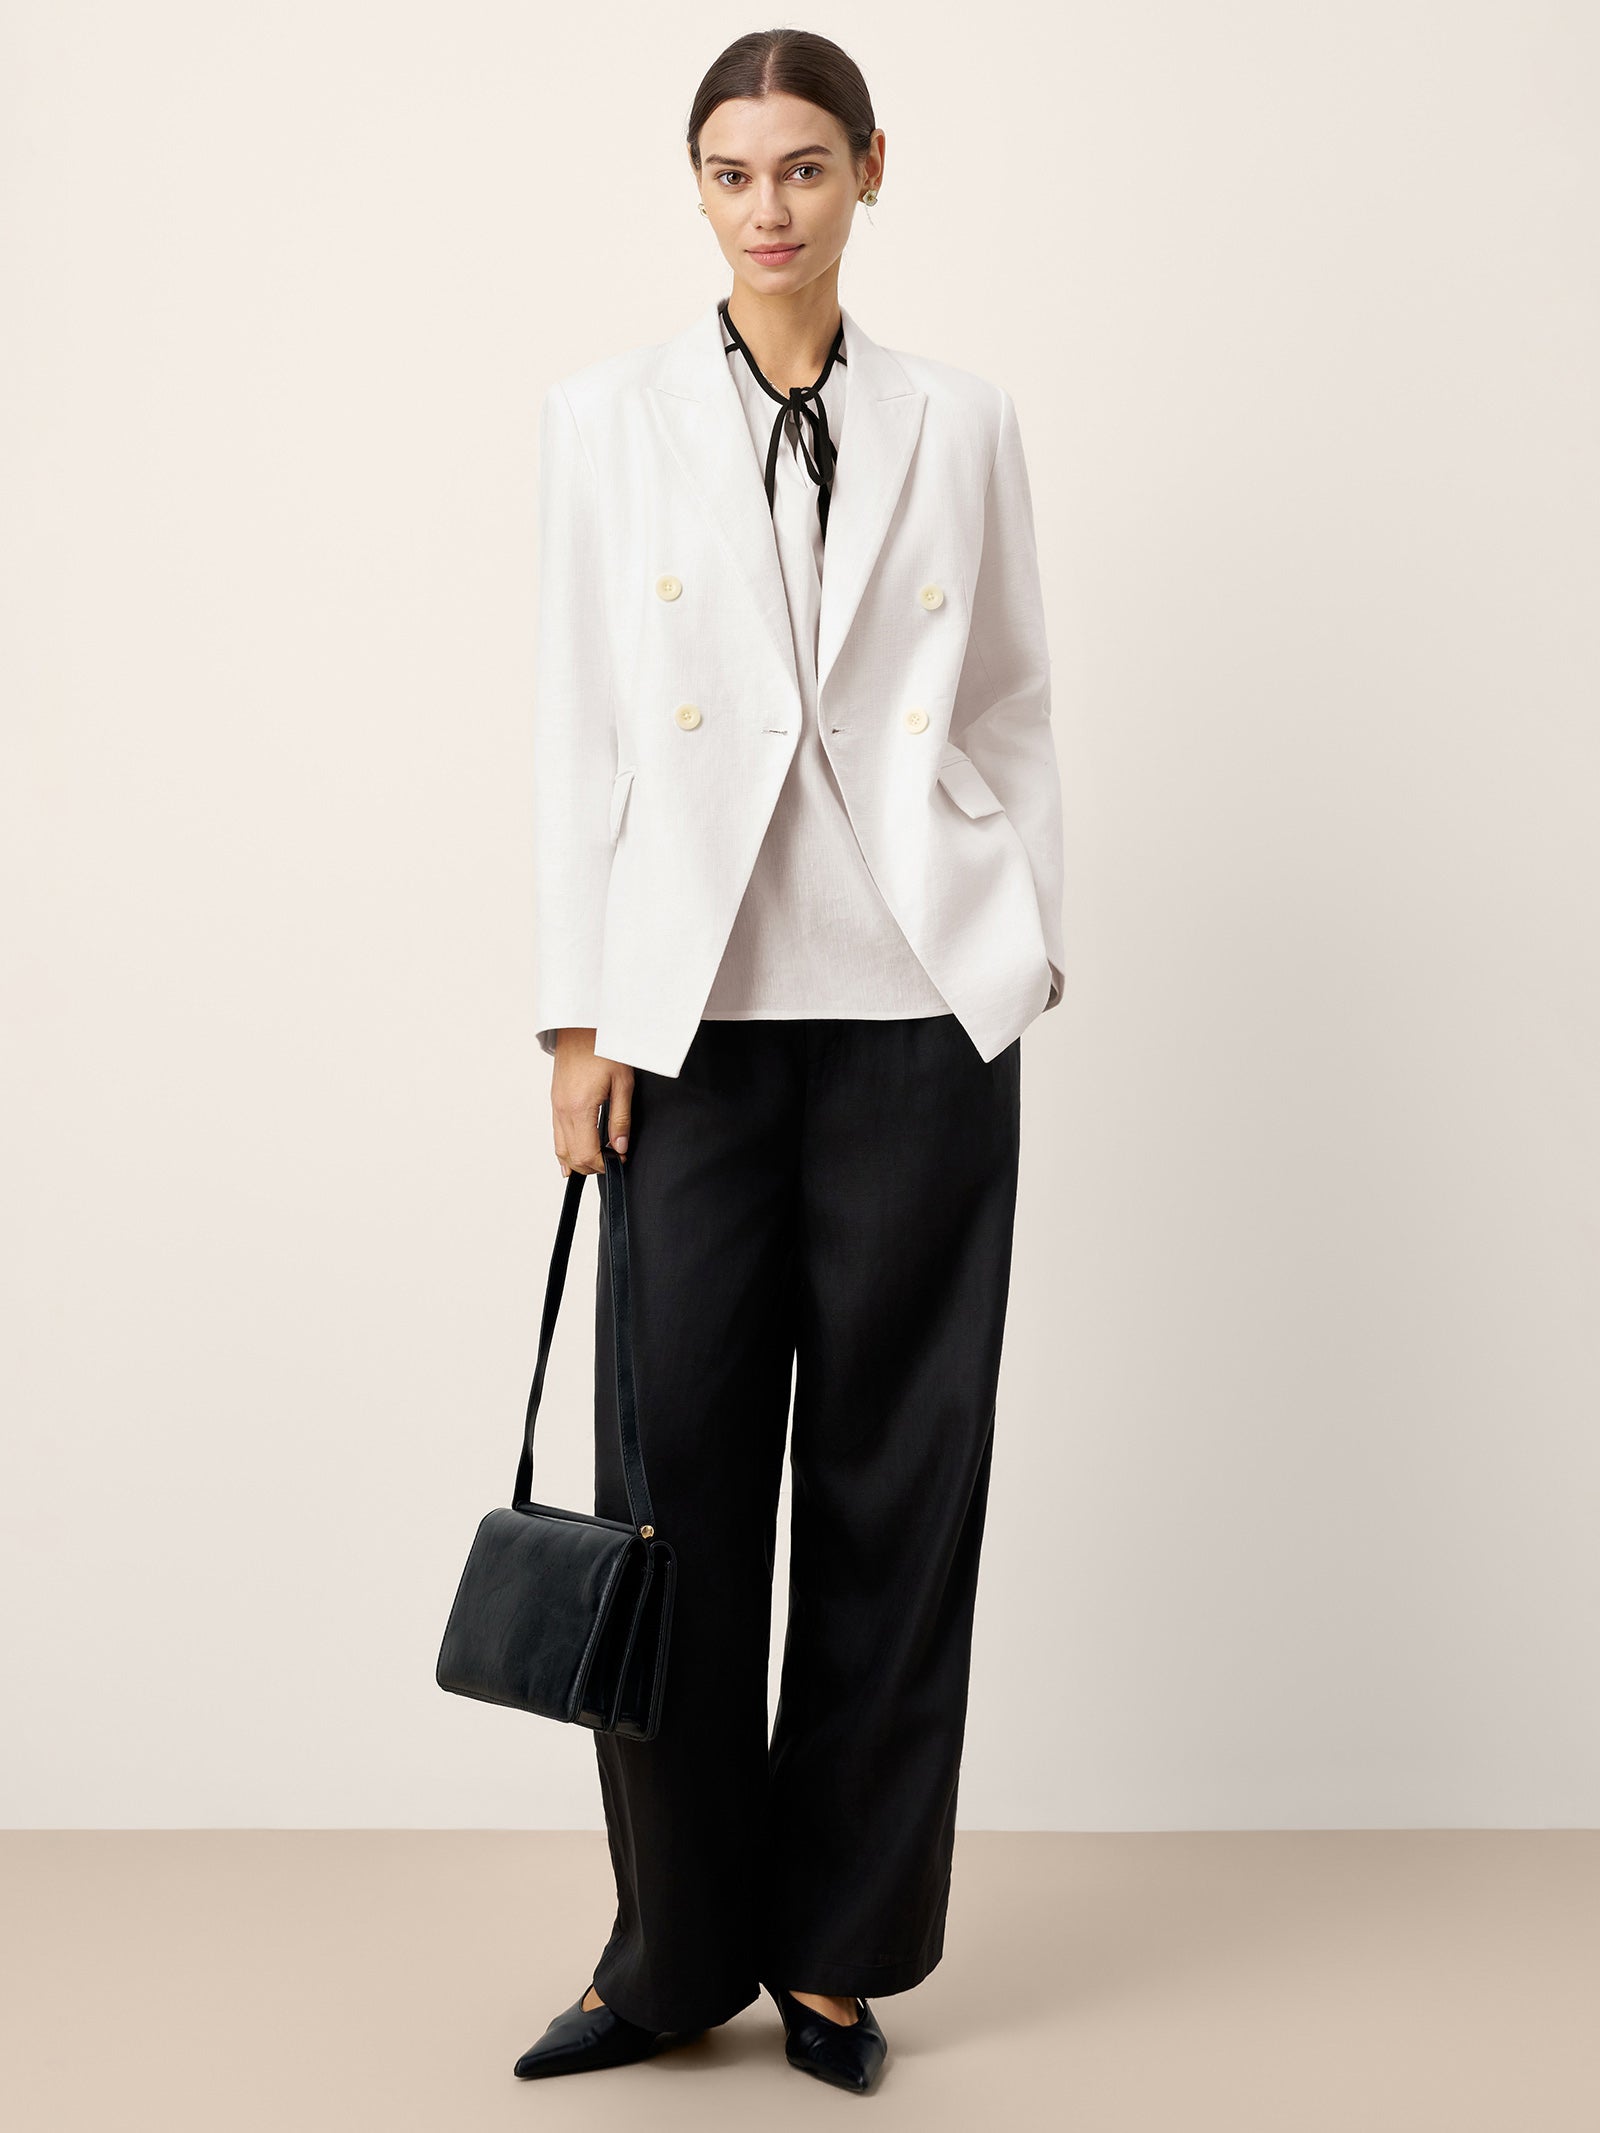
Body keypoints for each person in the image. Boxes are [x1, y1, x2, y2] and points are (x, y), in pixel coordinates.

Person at [512, 27, 1065, 2096]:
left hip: (920, 1013)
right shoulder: (604, 420)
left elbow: (1009, 696)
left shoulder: (961, 419)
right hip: (689, 1027)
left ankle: (835, 1949)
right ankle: (672, 1955)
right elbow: (576, 722)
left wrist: (1021, 934)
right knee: (670, 1501)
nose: (770, 205)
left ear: (869, 173)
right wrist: (576, 1014)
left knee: (897, 1487)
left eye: (806, 166)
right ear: (698, 186)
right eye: (735, 171)